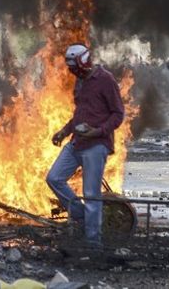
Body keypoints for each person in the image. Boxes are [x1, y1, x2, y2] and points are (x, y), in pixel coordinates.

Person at [45, 44, 124, 246]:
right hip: (77, 143)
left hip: (96, 145)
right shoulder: (80, 82)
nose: (73, 73)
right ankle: (80, 215)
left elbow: (118, 114)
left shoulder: (105, 80)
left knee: (91, 195)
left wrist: (97, 131)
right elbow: (79, 114)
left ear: (84, 63)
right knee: (54, 178)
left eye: (75, 68)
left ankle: (93, 243)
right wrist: (64, 131)